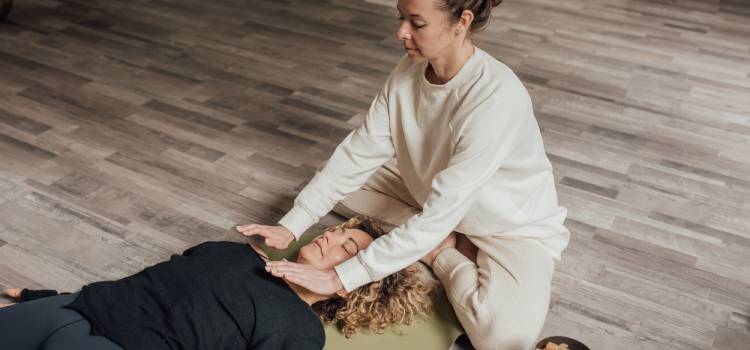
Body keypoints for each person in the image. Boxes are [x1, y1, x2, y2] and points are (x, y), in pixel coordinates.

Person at [237, 0, 570, 349]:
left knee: (502, 339)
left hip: (509, 229)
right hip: (430, 192)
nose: (401, 32)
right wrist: (294, 223)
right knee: (340, 184)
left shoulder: (497, 98)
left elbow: (441, 212)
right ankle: (428, 233)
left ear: (462, 22)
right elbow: (359, 153)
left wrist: (340, 277)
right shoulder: (407, 73)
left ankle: (440, 249)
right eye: (401, 17)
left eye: (416, 23)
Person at [0, 216, 435, 350]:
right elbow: (143, 283)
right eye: (340, 231)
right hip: (73, 309)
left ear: (350, 285)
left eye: (348, 249)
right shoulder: (231, 252)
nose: (330, 236)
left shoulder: (301, 332)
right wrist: (49, 298)